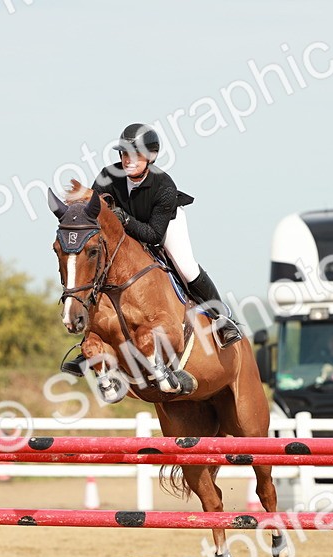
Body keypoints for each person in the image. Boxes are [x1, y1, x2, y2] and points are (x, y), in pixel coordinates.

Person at [61, 122, 242, 376]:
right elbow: (95, 215)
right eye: (124, 154)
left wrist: (124, 218)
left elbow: (154, 236)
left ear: (151, 156)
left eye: (135, 155)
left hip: (163, 226)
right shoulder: (107, 176)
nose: (128, 160)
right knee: (99, 272)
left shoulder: (164, 186)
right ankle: (88, 346)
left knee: (186, 267)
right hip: (124, 231)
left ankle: (223, 317)